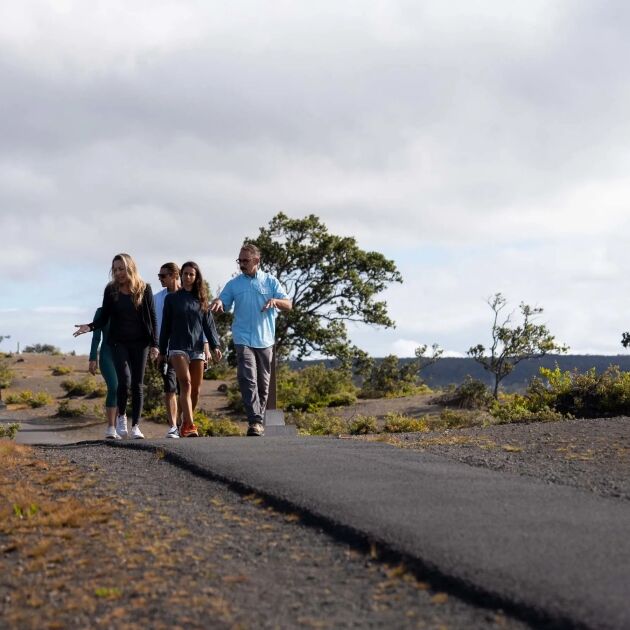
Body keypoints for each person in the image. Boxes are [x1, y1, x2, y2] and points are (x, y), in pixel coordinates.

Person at [210, 243, 291, 436]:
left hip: (265, 340)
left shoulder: (271, 282)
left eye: (245, 261)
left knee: (263, 384)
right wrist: (219, 303)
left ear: (256, 261)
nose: (241, 264)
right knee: (248, 378)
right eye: (239, 260)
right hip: (242, 338)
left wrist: (276, 301)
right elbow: (223, 301)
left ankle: (259, 421)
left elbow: (288, 304)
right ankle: (254, 421)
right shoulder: (235, 284)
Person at [74, 253, 159, 439]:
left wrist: (155, 344)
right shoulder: (111, 290)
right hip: (118, 342)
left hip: (141, 342)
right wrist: (89, 327)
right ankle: (121, 416)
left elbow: (152, 317)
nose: (118, 273)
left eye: (121, 268)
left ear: (130, 268)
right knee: (124, 381)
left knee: (137, 384)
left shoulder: (144, 289)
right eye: (115, 269)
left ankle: (136, 426)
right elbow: (104, 317)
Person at [159, 261, 222, 438]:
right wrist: (163, 351)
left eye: (191, 274)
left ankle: (184, 421)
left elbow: (208, 325)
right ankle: (191, 426)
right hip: (178, 348)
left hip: (197, 349)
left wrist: (215, 345)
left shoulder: (201, 299)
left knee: (195, 389)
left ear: (196, 278)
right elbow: (165, 327)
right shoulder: (171, 299)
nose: (187, 277)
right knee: (185, 383)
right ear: (181, 276)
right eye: (185, 274)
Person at [154, 262, 182, 438]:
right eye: (159, 276)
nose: (160, 279)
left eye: (163, 276)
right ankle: (173, 426)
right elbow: (154, 324)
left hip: (187, 350)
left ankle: (183, 424)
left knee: (186, 388)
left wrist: (206, 345)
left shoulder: (188, 295)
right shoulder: (157, 298)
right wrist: (156, 347)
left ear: (174, 275)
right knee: (170, 387)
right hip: (166, 350)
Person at [88, 306, 126, 439]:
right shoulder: (101, 311)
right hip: (107, 355)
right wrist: (93, 357)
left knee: (123, 388)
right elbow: (96, 337)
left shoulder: (129, 308)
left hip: (125, 355)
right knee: (114, 387)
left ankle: (120, 424)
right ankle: (111, 427)